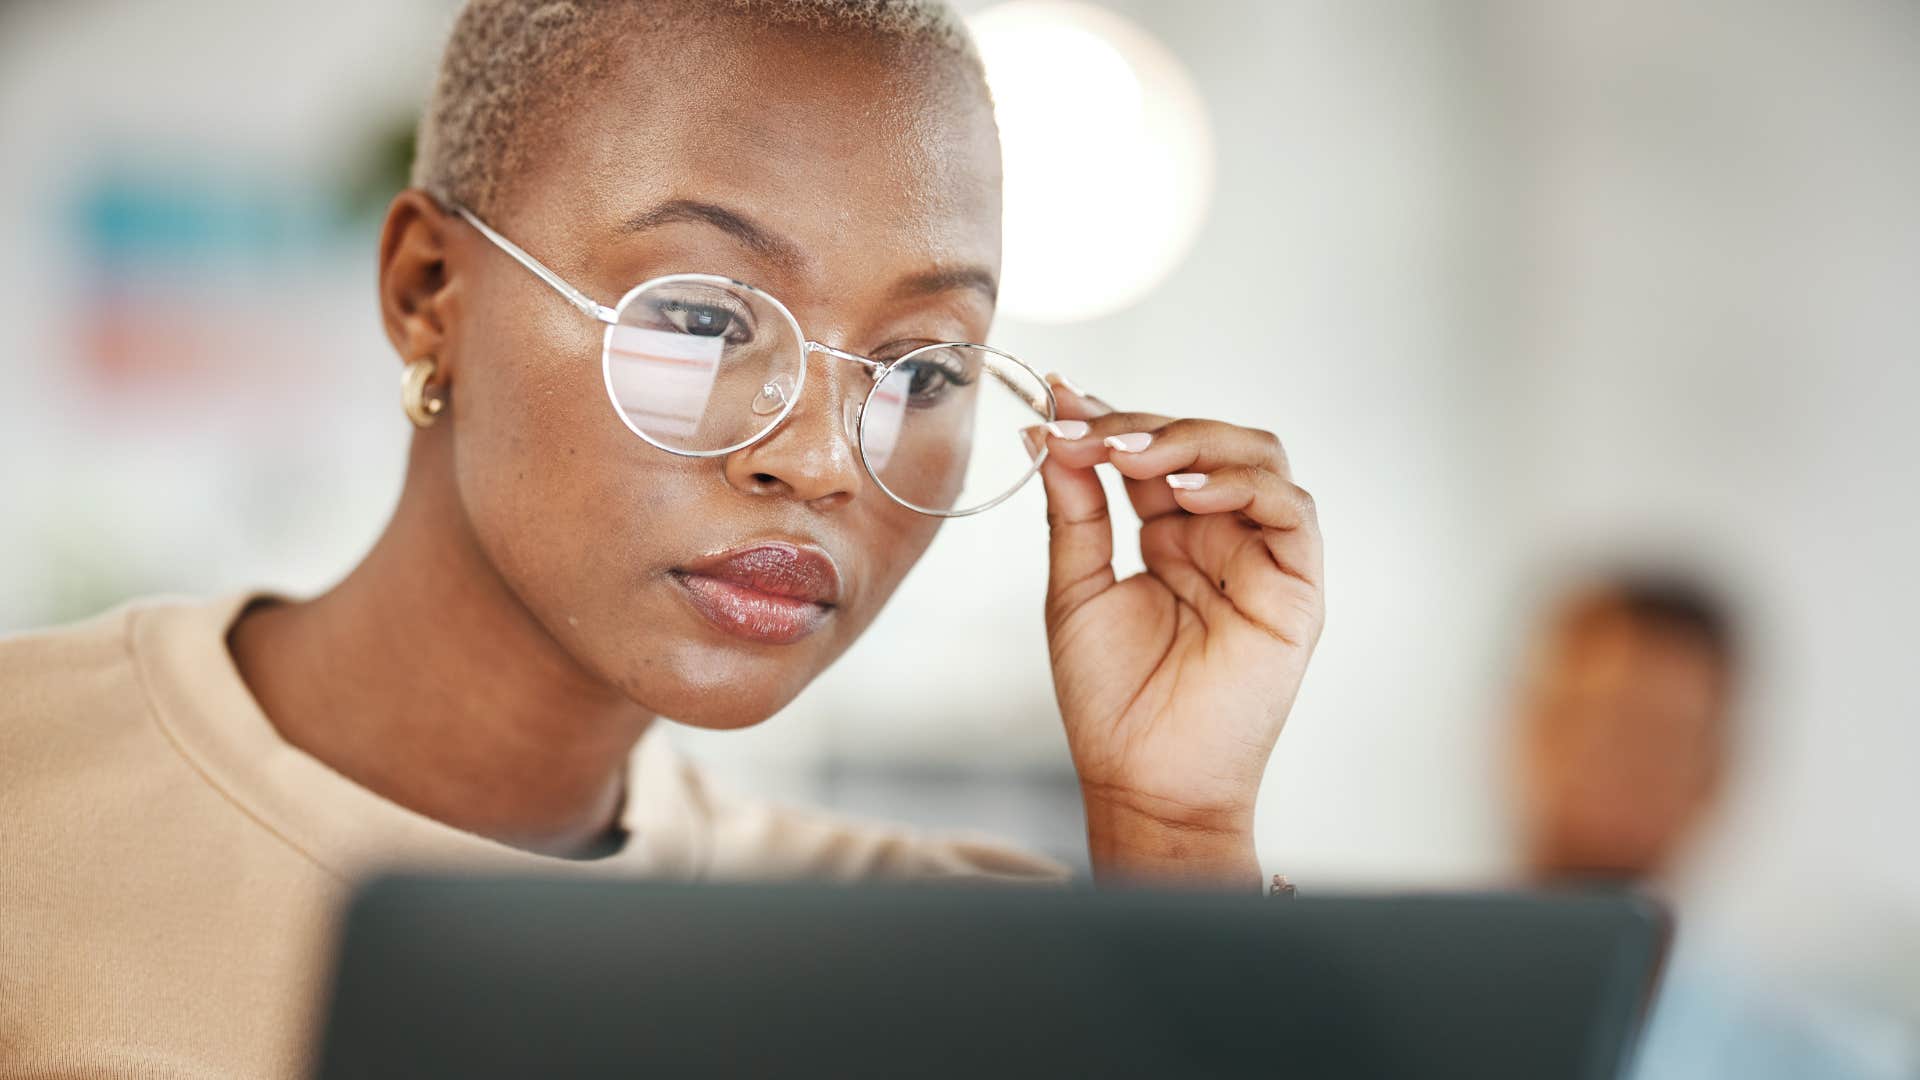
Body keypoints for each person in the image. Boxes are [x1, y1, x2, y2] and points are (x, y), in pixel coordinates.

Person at [0, 2, 1324, 1076]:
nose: (813, 458)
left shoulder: (950, 963)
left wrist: (1180, 830)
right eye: (700, 319)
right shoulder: (30, 796)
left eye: (923, 367)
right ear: (426, 295)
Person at [1510, 574, 1905, 1079]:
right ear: (1526, 731)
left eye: (1659, 736)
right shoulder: (1398, 1004)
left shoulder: (1812, 1058)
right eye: (1590, 722)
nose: (1614, 765)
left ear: (1714, 775)